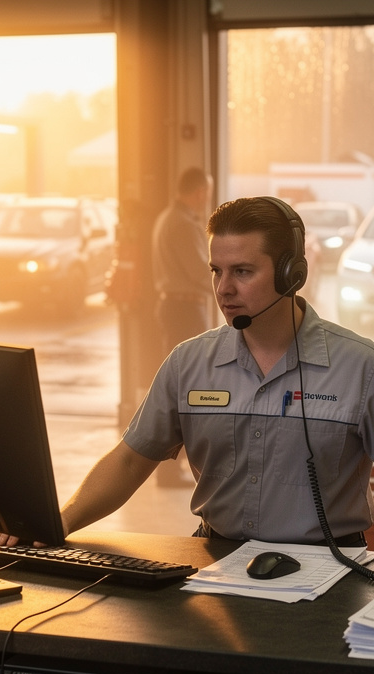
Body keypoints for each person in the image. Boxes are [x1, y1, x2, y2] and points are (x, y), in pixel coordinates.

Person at [0, 196, 374, 548]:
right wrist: (55, 525)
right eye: (216, 271)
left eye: (242, 271)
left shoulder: (362, 366)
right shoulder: (189, 362)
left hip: (329, 568)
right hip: (214, 560)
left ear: (290, 274)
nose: (224, 288)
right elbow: (130, 462)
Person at [151, 166, 213, 486]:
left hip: (173, 306)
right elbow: (201, 273)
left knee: (179, 389)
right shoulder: (184, 225)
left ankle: (170, 468)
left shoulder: (166, 218)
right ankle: (171, 469)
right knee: (190, 391)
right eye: (208, 192)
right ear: (200, 191)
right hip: (185, 308)